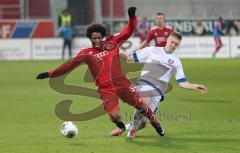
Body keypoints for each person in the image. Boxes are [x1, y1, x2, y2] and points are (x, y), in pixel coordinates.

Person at [36, 7, 165, 137]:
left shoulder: (112, 42)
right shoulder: (85, 53)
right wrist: (49, 73)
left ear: (102, 36)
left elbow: (128, 31)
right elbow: (68, 66)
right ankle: (119, 124)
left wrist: (132, 18)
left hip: (121, 82)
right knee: (115, 116)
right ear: (90, 38)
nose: (96, 40)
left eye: (98, 38)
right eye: (94, 38)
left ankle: (156, 124)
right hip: (105, 88)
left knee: (142, 106)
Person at [111, 31, 208, 138]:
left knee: (143, 123)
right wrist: (114, 50)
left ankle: (127, 127)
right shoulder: (152, 50)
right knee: (144, 103)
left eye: (176, 44)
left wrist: (196, 86)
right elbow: (129, 57)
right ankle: (131, 130)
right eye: (172, 42)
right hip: (145, 82)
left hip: (158, 91)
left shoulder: (176, 61)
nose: (173, 45)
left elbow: (183, 83)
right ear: (167, 40)